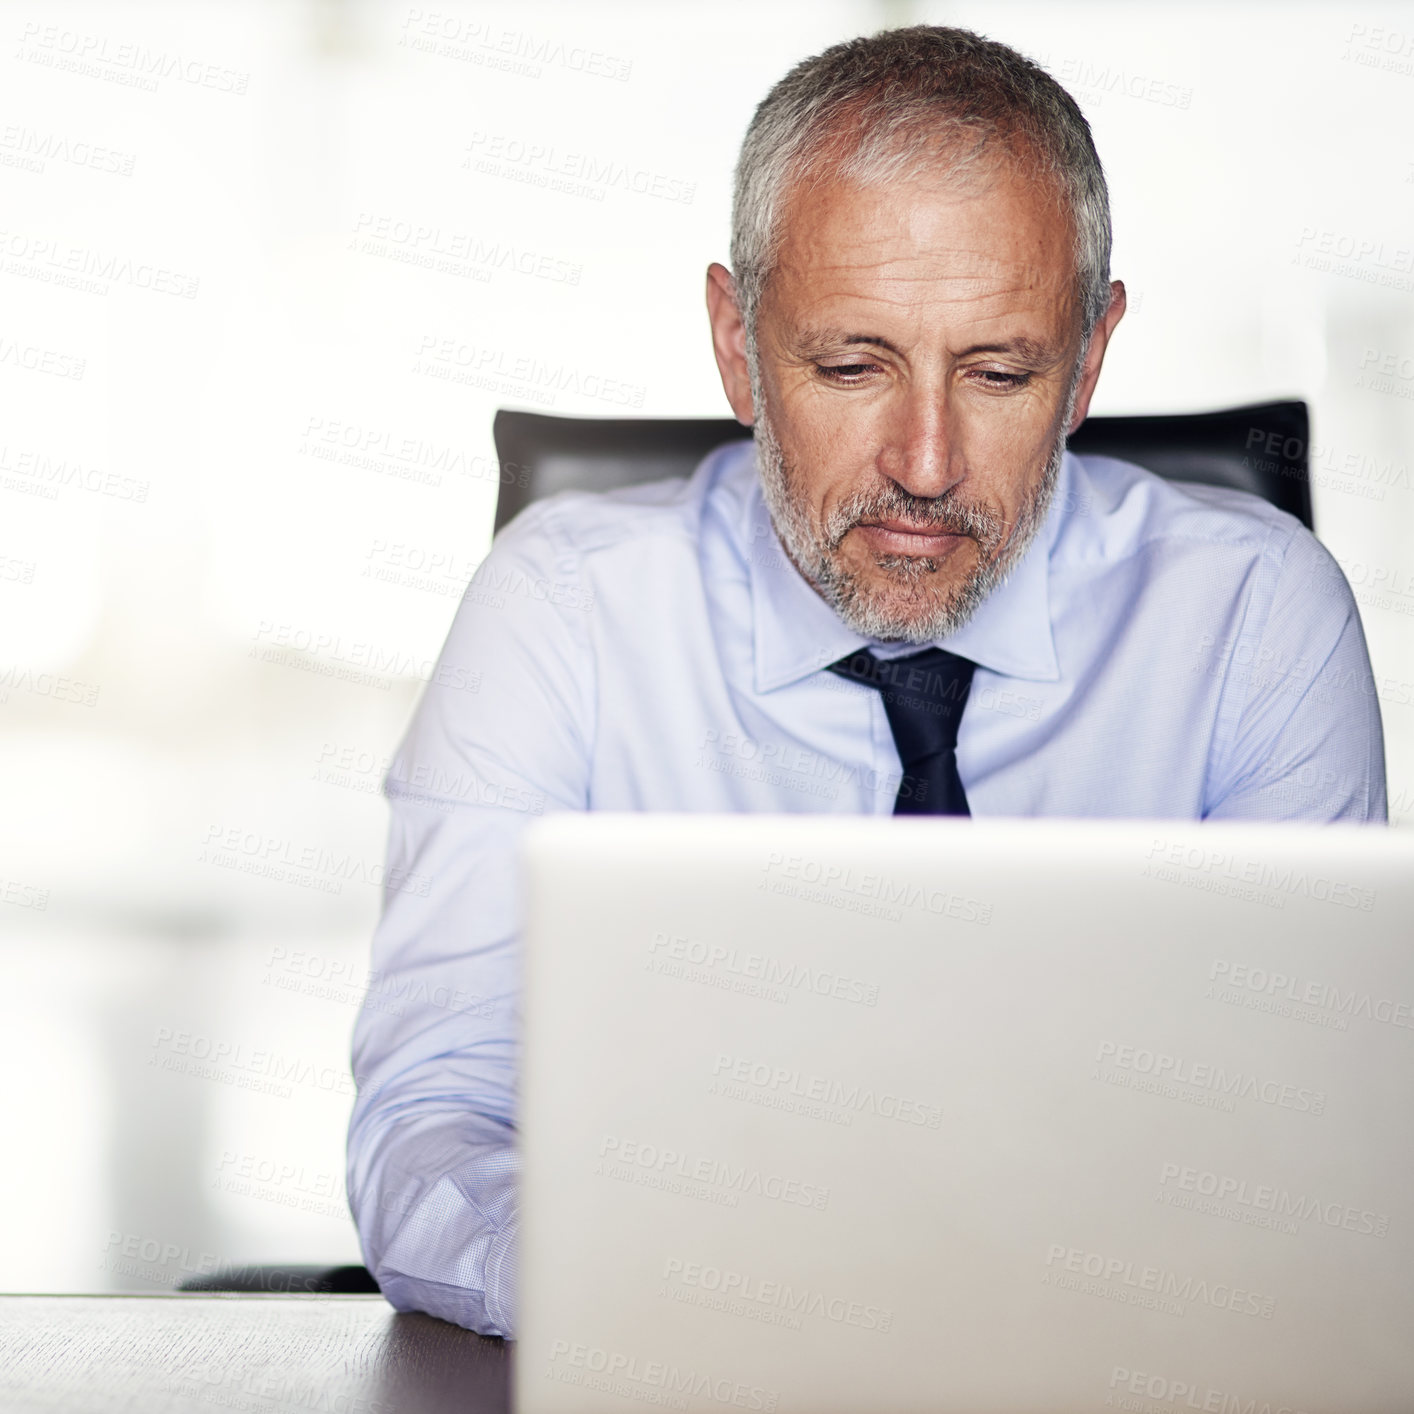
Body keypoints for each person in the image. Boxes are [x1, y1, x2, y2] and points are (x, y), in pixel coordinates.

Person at [346, 25, 1386, 1337]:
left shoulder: (1252, 614)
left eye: (1000, 371)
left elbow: (1310, 1134)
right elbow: (433, 1113)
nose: (927, 462)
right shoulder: (562, 609)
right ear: (734, 343)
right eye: (850, 366)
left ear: (1090, 355)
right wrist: (643, 1281)